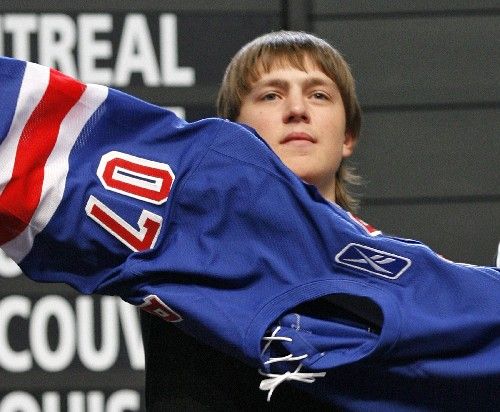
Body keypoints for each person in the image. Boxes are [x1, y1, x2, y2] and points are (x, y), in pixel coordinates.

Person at [0, 32, 499, 412]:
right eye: (271, 96)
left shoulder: (414, 279)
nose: (298, 110)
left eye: (320, 95)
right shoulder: (186, 232)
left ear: (348, 135)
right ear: (232, 134)